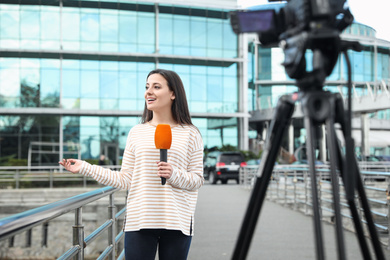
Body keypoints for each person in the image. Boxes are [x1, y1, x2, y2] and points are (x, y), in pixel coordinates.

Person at [59, 69, 204, 260]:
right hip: (140, 220)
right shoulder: (136, 132)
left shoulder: (191, 133)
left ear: (173, 93)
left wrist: (174, 174)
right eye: (147, 87)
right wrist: (85, 167)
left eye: (156, 87)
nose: (148, 92)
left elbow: (197, 180)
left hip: (177, 221)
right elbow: (126, 179)